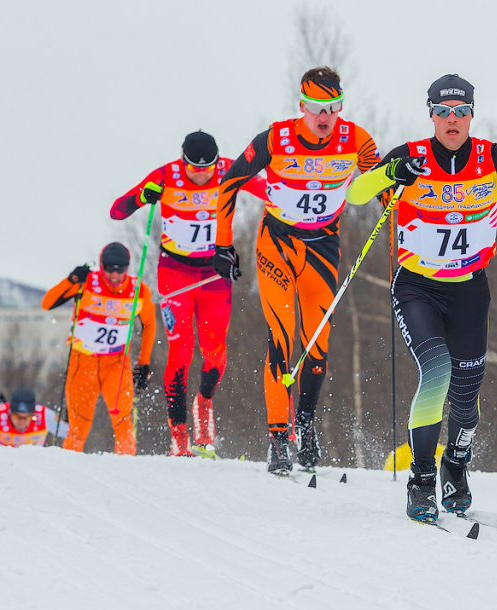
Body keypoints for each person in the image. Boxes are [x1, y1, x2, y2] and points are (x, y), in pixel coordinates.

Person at [346, 74, 497, 521]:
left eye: (461, 111)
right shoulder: (411, 155)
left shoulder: (494, 157)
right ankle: (420, 481)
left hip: (470, 291)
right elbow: (357, 193)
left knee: (466, 393)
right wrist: (388, 173)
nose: (452, 119)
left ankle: (455, 468)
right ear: (432, 115)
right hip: (418, 287)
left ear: (472, 114)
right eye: (443, 111)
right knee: (437, 373)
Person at [215, 66, 381, 475]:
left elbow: (383, 187)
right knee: (280, 340)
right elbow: (229, 182)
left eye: (332, 107)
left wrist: (399, 233)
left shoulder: (356, 140)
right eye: (316, 108)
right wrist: (223, 244)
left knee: (317, 347)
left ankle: (305, 429)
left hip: (323, 248)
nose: (324, 117)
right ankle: (278, 438)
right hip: (277, 244)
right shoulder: (276, 138)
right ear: (301, 106)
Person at [110, 131, 266, 456]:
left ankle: (204, 401)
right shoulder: (166, 175)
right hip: (175, 274)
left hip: (214, 275)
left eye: (207, 168)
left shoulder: (229, 170)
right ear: (183, 161)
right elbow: (117, 211)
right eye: (194, 168)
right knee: (181, 349)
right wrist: (144, 197)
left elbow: (273, 194)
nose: (201, 174)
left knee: (215, 351)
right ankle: (179, 436)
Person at [41, 242, 156, 455]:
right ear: (101, 266)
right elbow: (47, 303)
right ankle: (69, 467)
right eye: (109, 268)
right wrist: (71, 279)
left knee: (123, 422)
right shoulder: (87, 283)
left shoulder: (138, 290)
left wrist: (144, 362)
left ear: (127, 267)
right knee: (78, 427)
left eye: (120, 269)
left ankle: (127, 466)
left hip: (116, 364)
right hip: (83, 362)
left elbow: (149, 323)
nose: (114, 275)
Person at [0, 389, 67, 447]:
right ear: (10, 411)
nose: (21, 421)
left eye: (27, 417)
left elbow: (70, 433)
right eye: (17, 416)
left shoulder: (44, 416)